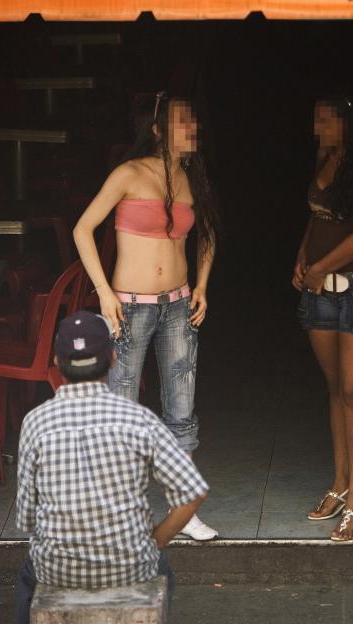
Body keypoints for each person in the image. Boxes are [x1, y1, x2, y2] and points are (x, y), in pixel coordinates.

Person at [73, 92, 220, 540]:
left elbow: (208, 234)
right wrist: (103, 293)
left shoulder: (191, 178)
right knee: (123, 410)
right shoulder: (129, 173)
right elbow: (83, 229)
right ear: (157, 129)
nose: (191, 129)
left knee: (182, 411)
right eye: (181, 121)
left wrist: (202, 285)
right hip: (130, 305)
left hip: (178, 306)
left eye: (193, 121)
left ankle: (183, 511)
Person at [14, 310, 208, 624]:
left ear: (56, 362)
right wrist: (152, 543)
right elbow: (192, 495)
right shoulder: (139, 419)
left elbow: (26, 517)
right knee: (164, 572)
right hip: (132, 565)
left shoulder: (36, 423)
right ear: (113, 357)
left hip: (57, 569)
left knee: (27, 578)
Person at [292, 94, 353, 541]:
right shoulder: (325, 159)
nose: (319, 127)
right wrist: (301, 258)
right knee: (335, 388)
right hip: (321, 291)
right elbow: (316, 217)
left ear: (349, 123)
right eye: (317, 119)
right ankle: (338, 482)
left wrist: (319, 268)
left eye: (326, 120)